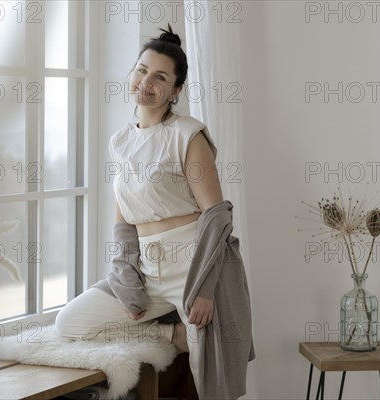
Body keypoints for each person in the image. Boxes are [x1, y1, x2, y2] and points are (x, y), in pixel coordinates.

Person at [55, 24, 254, 399]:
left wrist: (206, 290)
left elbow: (216, 215)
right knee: (71, 321)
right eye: (142, 70)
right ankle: (173, 335)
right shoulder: (121, 141)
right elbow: (123, 219)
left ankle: (191, 332)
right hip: (148, 270)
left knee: (212, 382)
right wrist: (125, 272)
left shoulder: (188, 134)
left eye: (160, 77)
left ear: (175, 91)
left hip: (193, 266)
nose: (146, 82)